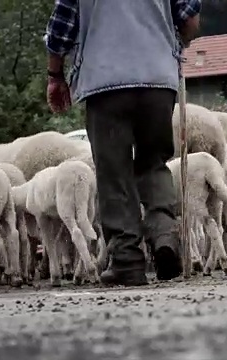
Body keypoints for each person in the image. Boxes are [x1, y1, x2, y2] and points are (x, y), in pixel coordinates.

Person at [44, 0, 202, 286]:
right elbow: (190, 21)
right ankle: (164, 233)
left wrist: (55, 76)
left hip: (106, 83)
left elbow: (60, 31)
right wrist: (171, 43)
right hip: (158, 80)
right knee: (154, 162)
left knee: (114, 172)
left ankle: (128, 261)